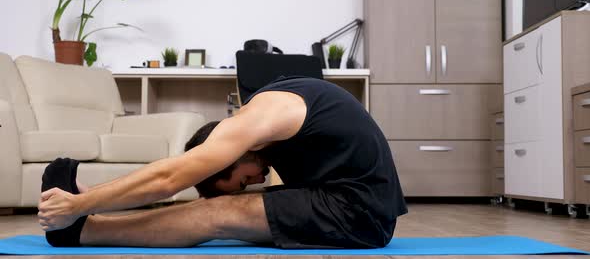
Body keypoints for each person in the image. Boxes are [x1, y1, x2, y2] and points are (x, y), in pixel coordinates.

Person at [38, 76, 407, 248]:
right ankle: (93, 220)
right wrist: (94, 196)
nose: (258, 179)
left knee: (218, 214)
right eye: (248, 182)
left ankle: (85, 229)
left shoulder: (256, 120)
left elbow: (170, 178)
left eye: (244, 180)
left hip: (360, 214)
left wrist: (77, 204)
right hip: (351, 203)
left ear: (226, 156)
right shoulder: (266, 115)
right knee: (218, 210)